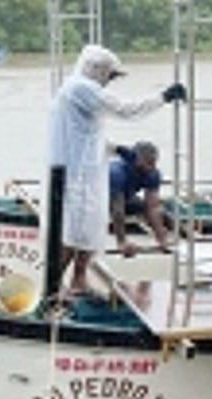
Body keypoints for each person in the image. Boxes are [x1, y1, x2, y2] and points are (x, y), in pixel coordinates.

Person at [47, 44, 186, 296]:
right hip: (75, 174)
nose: (110, 81)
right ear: (97, 70)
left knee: (89, 228)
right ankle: (53, 285)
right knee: (72, 233)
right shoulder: (82, 88)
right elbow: (127, 110)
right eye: (110, 76)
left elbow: (86, 134)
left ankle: (78, 280)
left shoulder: (74, 90)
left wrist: (116, 148)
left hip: (84, 169)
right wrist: (163, 97)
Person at [109, 141, 170, 257]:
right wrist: (121, 241)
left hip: (127, 197)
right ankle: (120, 239)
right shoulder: (117, 173)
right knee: (118, 211)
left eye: (154, 163)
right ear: (138, 159)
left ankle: (162, 235)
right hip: (105, 197)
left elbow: (153, 206)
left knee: (154, 209)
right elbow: (117, 210)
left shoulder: (152, 173)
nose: (152, 167)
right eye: (148, 163)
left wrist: (160, 235)